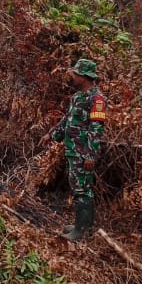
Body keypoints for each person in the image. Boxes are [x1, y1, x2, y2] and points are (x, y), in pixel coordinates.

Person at [50, 58, 106, 241]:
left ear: (85, 77)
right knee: (79, 187)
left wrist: (91, 154)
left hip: (84, 153)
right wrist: (52, 135)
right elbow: (67, 119)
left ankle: (80, 230)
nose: (72, 76)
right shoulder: (77, 97)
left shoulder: (96, 99)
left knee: (82, 189)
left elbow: (96, 128)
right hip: (73, 151)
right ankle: (83, 226)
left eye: (76, 74)